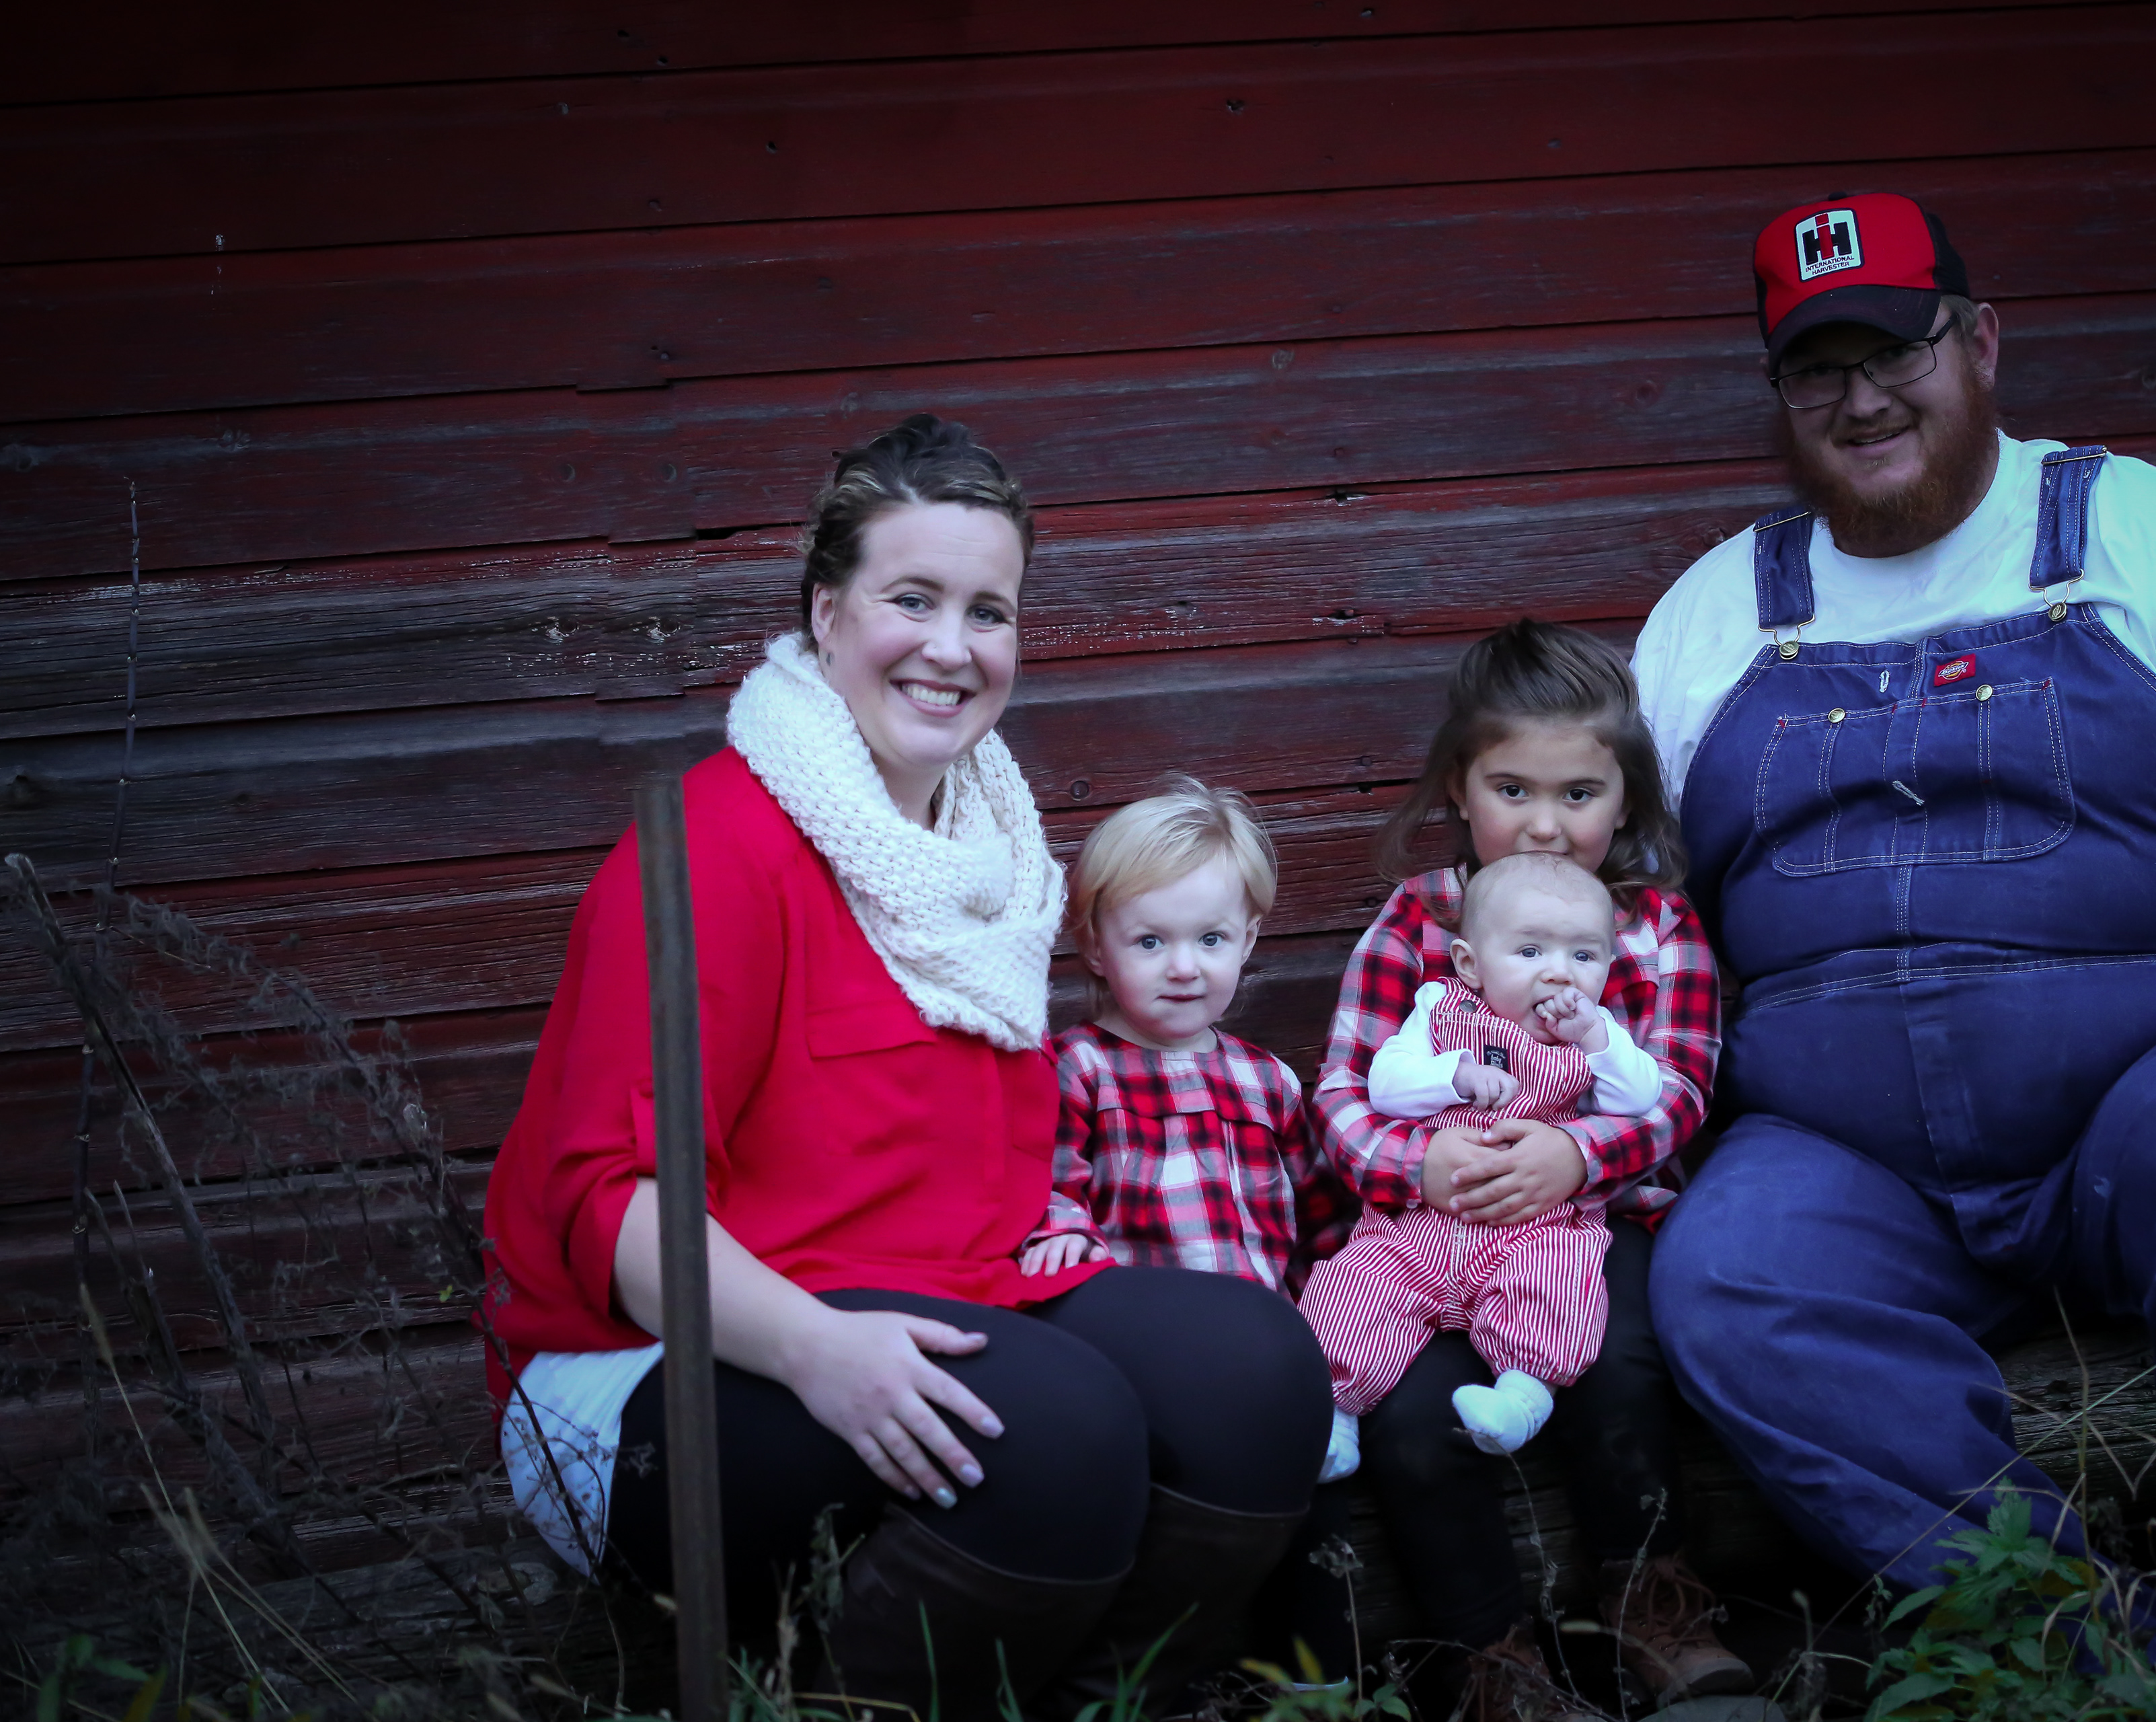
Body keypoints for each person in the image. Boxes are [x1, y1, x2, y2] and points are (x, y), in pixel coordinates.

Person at [1635, 195, 2156, 1660]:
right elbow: (1633, 912)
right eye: (1818, 368)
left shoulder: (2145, 534)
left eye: (1897, 350)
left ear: (1983, 342)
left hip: (2143, 1108)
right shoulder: (1713, 616)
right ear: (1779, 392)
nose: (1863, 400)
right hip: (1846, 1156)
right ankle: (2112, 1663)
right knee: (1725, 1278)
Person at [482, 415, 1330, 1722]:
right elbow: (614, 1214)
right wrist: (816, 1348)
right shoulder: (719, 847)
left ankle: (1100, 1705)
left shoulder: (991, 858)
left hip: (943, 1290)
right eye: (912, 598)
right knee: (1057, 1425)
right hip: (652, 1363)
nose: (952, 646)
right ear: (827, 613)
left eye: (989, 611)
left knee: (1256, 1369)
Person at [1309, 620, 1753, 1715]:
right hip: (1425, 1233)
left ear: (1626, 801)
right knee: (1412, 1422)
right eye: (1512, 790)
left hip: (1594, 1225)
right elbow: (1342, 1093)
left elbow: (1682, 1088)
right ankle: (1493, 1661)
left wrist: (1572, 1154)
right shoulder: (1420, 919)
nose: (1545, 826)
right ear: (1460, 790)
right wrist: (1422, 1163)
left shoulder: (1652, 926)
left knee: (1621, 1359)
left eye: (1578, 795)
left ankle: (1651, 1601)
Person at [1303, 850, 1664, 1470]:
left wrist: (1595, 1038)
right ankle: (1332, 1421)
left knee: (1560, 1286)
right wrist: (1454, 1075)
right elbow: (1385, 1086)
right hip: (1416, 1227)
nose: (1559, 974)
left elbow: (1640, 1097)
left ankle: (1522, 1398)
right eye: (1531, 952)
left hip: (1534, 1225)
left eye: (1584, 956)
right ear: (1470, 963)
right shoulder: (1440, 1009)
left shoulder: (1596, 1033)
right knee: (1354, 1291)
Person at [1016, 774, 1346, 1297]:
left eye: (1211, 939)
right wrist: (1064, 1232)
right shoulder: (1079, 1068)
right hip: (1145, 1321)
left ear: (1247, 940)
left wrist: (1325, 1312)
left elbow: (1324, 1227)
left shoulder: (1268, 1082)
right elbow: (1046, 1188)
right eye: (1150, 942)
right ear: (1097, 948)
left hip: (1265, 1323)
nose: (1185, 968)